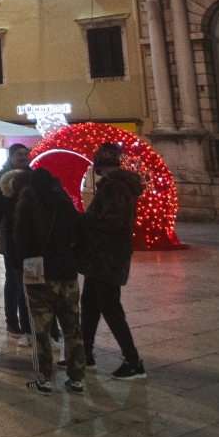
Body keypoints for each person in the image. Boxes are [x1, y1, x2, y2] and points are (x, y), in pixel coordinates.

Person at [14, 167, 87, 394]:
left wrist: (26, 261)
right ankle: (76, 378)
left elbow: (20, 241)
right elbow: (83, 236)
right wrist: (72, 259)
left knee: (41, 330)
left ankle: (44, 379)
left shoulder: (26, 205)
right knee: (72, 328)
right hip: (66, 273)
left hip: (39, 275)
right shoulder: (65, 204)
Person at [80, 144, 146, 380]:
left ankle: (133, 361)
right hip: (99, 256)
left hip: (107, 257)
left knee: (110, 308)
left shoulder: (114, 186)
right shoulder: (113, 185)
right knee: (89, 305)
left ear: (100, 165)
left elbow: (113, 222)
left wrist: (83, 219)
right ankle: (84, 353)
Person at [0, 144, 33, 344]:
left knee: (27, 282)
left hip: (29, 240)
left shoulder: (32, 175)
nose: (23, 157)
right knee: (14, 281)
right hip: (8, 237)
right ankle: (13, 322)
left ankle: (31, 323)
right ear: (11, 157)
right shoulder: (0, 178)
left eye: (25, 153)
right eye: (19, 154)